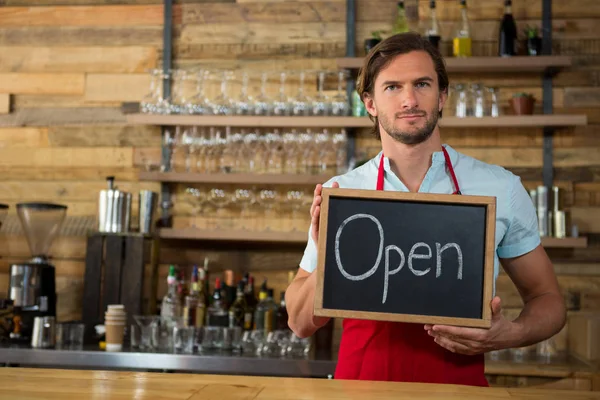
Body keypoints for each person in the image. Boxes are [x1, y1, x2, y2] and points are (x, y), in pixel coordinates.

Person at [284, 32, 566, 387]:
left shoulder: (501, 188)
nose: (409, 99)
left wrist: (508, 334)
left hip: (459, 393)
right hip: (359, 391)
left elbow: (549, 300)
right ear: (369, 102)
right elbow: (298, 322)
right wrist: (329, 251)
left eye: (422, 83)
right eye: (392, 87)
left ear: (442, 95)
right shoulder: (343, 194)